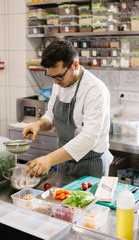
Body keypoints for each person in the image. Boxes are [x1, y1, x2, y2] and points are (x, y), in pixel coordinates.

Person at [23, 39, 113, 179]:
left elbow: (89, 138)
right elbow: (51, 116)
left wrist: (49, 159)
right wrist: (38, 125)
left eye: (59, 76)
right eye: (51, 77)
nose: (55, 82)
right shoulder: (58, 83)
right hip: (64, 160)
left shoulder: (94, 90)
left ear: (75, 65)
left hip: (90, 164)